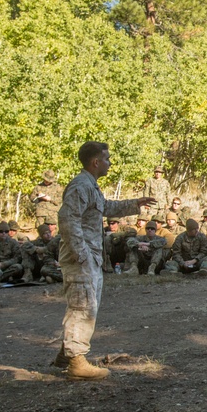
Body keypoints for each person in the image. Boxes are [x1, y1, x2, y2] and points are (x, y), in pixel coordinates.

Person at [55, 141, 156, 380]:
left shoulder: (91, 186)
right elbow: (68, 220)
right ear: (95, 162)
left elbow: (105, 207)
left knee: (86, 303)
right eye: (107, 159)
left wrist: (134, 204)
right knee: (83, 306)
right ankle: (76, 362)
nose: (110, 163)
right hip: (82, 256)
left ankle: (66, 354)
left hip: (89, 255)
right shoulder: (81, 185)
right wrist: (81, 254)